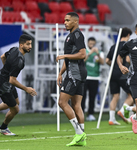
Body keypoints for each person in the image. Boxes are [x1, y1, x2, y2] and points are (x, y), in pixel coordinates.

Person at [56, 12, 87, 147]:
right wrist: (60, 73)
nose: (65, 22)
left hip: (75, 74)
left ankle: (79, 133)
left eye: (68, 20)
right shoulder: (70, 36)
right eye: (64, 20)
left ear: (75, 22)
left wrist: (64, 56)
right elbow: (71, 57)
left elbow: (82, 54)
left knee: (62, 102)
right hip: (75, 72)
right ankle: (82, 138)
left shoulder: (77, 35)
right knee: (76, 105)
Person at [0, 34, 37, 135]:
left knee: (15, 102)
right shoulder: (19, 61)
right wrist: (26, 89)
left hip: (5, 79)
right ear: (21, 45)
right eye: (28, 44)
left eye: (31, 44)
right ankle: (3, 128)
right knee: (15, 109)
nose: (30, 47)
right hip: (3, 84)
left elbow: (2, 57)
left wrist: (6, 70)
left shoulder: (14, 49)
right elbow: (12, 80)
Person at [106, 27, 134, 125]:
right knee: (133, 95)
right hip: (123, 74)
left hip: (112, 74)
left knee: (115, 96)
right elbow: (127, 60)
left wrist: (114, 66)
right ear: (128, 35)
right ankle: (122, 111)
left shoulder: (114, 46)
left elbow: (107, 60)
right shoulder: (127, 45)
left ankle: (111, 119)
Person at [81, 37, 104, 121]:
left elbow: (102, 62)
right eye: (90, 44)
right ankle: (81, 113)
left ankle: (90, 114)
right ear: (87, 43)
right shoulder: (85, 51)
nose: (92, 45)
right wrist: (90, 53)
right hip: (85, 77)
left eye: (93, 44)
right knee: (82, 97)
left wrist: (97, 53)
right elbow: (83, 61)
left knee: (92, 97)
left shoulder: (99, 52)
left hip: (95, 77)